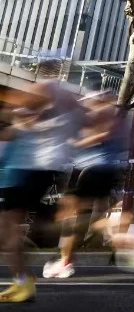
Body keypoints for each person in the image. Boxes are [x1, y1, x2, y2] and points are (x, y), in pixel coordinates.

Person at [0, 79, 85, 303]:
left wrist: (14, 107)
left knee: (7, 231)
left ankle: (24, 281)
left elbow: (33, 99)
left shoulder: (49, 98)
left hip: (22, 173)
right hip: (27, 172)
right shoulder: (46, 116)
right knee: (9, 231)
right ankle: (24, 276)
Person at [43, 93, 129, 280]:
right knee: (82, 215)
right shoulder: (117, 119)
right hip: (105, 170)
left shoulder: (103, 112)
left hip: (89, 168)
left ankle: (65, 261)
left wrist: (75, 143)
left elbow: (100, 135)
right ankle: (68, 258)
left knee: (69, 214)